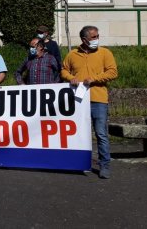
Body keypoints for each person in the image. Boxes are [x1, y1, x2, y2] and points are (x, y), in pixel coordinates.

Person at [61, 25, 118, 179]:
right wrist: (70, 78)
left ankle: (104, 165)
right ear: (84, 39)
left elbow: (113, 72)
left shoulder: (105, 52)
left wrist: (95, 79)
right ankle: (79, 162)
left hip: (98, 100)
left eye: (97, 36)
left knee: (101, 133)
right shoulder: (72, 54)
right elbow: (64, 70)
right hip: (78, 100)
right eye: (93, 37)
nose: (96, 39)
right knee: (77, 133)